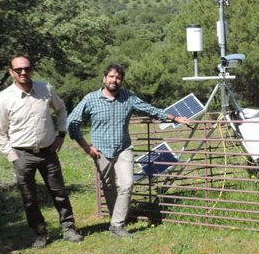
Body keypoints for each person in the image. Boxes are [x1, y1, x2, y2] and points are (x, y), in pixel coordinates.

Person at [67, 63, 190, 239]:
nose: (114, 80)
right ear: (104, 78)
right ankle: (115, 220)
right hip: (101, 151)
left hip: (124, 148)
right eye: (111, 76)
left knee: (127, 184)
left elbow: (150, 110)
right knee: (109, 187)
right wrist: (87, 147)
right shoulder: (90, 99)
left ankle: (118, 225)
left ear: (121, 81)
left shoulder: (128, 98)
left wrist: (175, 117)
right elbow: (72, 122)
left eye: (118, 78)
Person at [0, 54, 83, 248]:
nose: (23, 72)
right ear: (11, 72)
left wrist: (61, 135)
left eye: (27, 68)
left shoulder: (45, 88)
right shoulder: (4, 98)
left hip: (48, 151)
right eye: (18, 69)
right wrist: (13, 157)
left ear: (32, 69)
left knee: (59, 192)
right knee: (29, 198)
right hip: (22, 154)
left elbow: (61, 110)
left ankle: (69, 228)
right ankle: (40, 233)